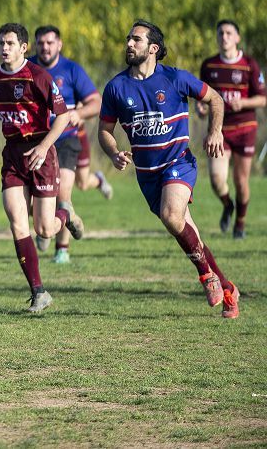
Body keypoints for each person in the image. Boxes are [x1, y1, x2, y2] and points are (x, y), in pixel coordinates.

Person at [100, 19, 239, 318]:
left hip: (178, 163)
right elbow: (104, 131)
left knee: (170, 215)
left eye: (135, 39)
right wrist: (113, 152)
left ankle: (206, 277)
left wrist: (215, 131)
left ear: (153, 48)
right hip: (147, 176)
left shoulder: (175, 78)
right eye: (128, 38)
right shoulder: (115, 87)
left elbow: (215, 99)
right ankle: (228, 288)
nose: (128, 44)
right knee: (186, 231)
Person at [0, 23, 78, 313]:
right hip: (13, 156)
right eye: (0, 43)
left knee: (44, 230)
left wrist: (44, 148)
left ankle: (64, 213)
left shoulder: (38, 76)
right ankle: (38, 291)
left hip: (41, 151)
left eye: (9, 43)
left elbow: (63, 117)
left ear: (23, 48)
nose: (3, 48)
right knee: (17, 221)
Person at [29, 25, 102, 263]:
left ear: (59, 44)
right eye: (41, 43)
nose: (45, 47)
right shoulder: (27, 67)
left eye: (50, 43)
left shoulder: (71, 70)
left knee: (63, 196)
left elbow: (95, 102)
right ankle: (48, 223)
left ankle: (62, 250)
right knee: (30, 202)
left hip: (66, 140)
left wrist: (80, 113)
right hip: (36, 142)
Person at [198, 19, 266, 239]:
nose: (224, 37)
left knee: (240, 180)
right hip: (219, 130)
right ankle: (228, 205)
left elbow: (262, 99)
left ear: (237, 38)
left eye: (229, 33)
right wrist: (201, 108)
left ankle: (240, 225)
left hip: (245, 129)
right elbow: (203, 98)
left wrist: (243, 103)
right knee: (217, 180)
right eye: (220, 33)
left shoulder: (249, 65)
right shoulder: (209, 66)